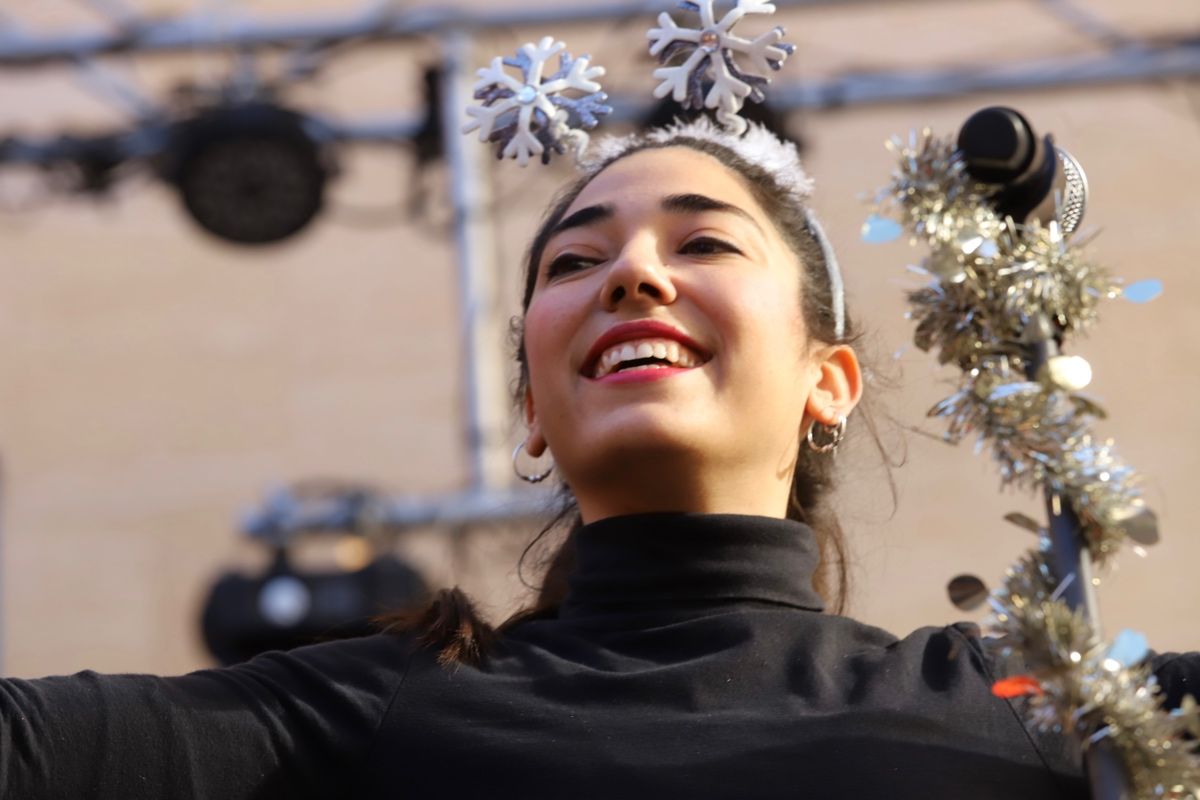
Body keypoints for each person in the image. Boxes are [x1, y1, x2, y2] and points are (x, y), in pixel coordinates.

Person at [0, 118, 1194, 799]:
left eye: (704, 240)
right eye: (574, 262)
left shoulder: (1029, 708)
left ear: (827, 381)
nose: (633, 271)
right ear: (532, 408)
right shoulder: (372, 710)